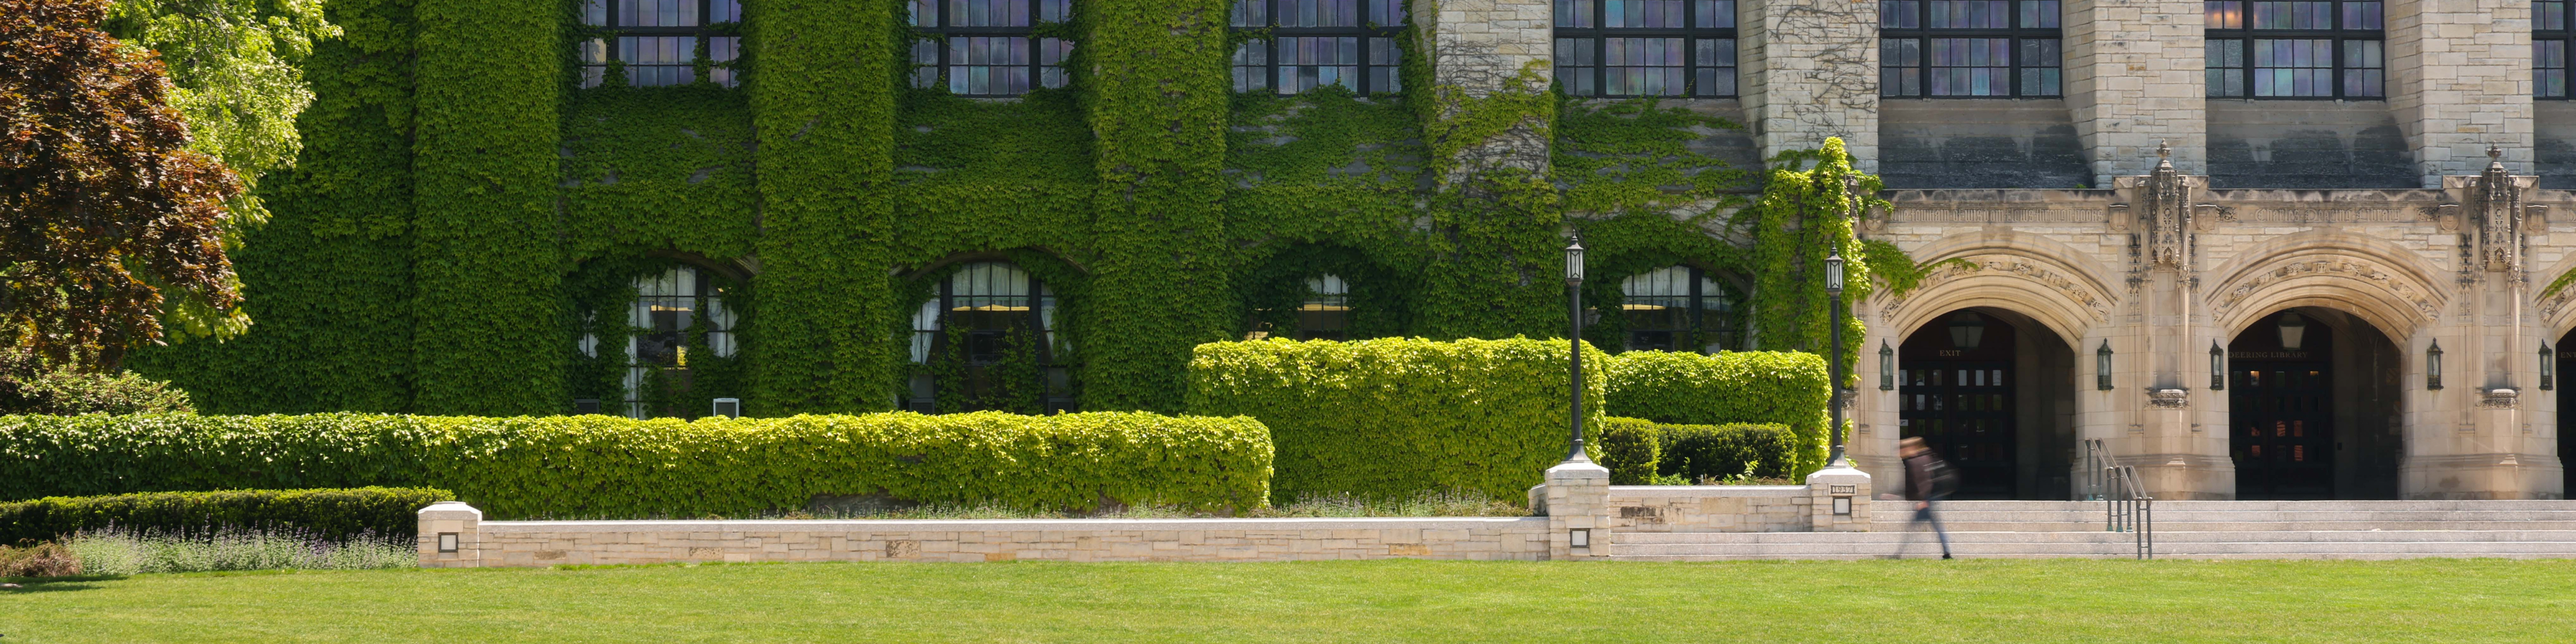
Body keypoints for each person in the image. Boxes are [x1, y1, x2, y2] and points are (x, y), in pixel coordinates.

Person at [1897, 436, 1957, 560]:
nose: (1900, 452)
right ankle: (1947, 552)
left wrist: (1925, 500)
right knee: (1934, 526)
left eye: (1902, 449)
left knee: (1914, 527)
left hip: (1928, 499)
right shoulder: (1926, 458)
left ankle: (1900, 553)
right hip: (1931, 498)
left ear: (1909, 448)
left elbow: (1924, 482)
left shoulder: (1917, 461)